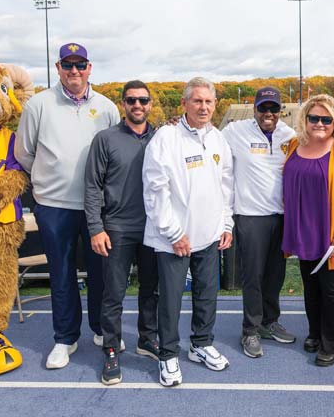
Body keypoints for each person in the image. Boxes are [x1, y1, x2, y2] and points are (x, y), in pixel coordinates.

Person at [14, 43, 121, 370]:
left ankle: (102, 330)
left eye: (80, 65)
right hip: (55, 206)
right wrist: (51, 179)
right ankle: (65, 338)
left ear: (90, 68)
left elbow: (115, 154)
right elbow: (24, 153)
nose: (74, 71)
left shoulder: (106, 107)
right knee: (61, 274)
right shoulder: (38, 104)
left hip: (97, 208)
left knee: (101, 274)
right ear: (58, 68)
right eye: (68, 65)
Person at [142, 77, 234, 387]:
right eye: (197, 101)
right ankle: (168, 354)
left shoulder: (218, 139)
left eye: (209, 102)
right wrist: (173, 232)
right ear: (185, 104)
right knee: (169, 301)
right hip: (174, 241)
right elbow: (155, 190)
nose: (204, 107)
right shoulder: (166, 138)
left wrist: (226, 224)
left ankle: (201, 344)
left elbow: (225, 186)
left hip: (209, 236)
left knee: (206, 295)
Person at [84, 80, 160, 385]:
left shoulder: (162, 138)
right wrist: (96, 227)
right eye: (131, 100)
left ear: (150, 103)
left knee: (151, 290)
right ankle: (112, 348)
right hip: (117, 227)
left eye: (143, 100)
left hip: (155, 227)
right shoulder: (105, 139)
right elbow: (92, 186)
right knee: (113, 293)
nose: (137, 105)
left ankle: (147, 338)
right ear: (123, 104)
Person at [282, 94, 334, 367]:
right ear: (304, 120)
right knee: (311, 289)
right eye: (313, 118)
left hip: (332, 234)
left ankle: (331, 342)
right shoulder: (295, 145)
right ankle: (315, 332)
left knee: (333, 292)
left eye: (326, 119)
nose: (319, 123)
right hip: (305, 232)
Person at [221, 86, 297, 359]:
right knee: (252, 276)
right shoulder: (235, 131)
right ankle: (250, 329)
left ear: (280, 111)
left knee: (276, 274)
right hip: (250, 215)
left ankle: (269, 321)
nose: (268, 113)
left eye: (273, 108)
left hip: (280, 216)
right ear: (253, 109)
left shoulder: (290, 135)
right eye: (263, 108)